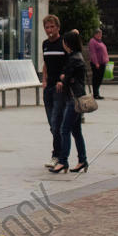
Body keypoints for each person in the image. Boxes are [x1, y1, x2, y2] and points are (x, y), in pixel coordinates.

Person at [48, 29, 90, 174]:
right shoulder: (79, 56)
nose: (63, 45)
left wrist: (62, 79)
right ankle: (82, 160)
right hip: (78, 97)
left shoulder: (73, 59)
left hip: (73, 99)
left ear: (68, 44)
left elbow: (67, 78)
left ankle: (63, 161)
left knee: (64, 129)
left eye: (65, 43)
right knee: (76, 131)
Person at [40, 15, 66, 168]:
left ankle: (57, 155)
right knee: (52, 123)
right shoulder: (45, 44)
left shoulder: (63, 43)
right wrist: (44, 80)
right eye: (47, 27)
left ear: (58, 27)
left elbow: (69, 63)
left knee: (57, 122)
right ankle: (61, 151)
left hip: (59, 88)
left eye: (52, 27)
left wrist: (63, 79)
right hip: (48, 88)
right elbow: (46, 64)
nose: (49, 30)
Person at [87, 27, 110, 99]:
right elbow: (93, 53)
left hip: (102, 63)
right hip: (97, 64)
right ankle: (95, 93)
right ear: (95, 34)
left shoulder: (100, 41)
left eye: (101, 34)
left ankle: (97, 92)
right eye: (99, 34)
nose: (101, 35)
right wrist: (96, 63)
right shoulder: (92, 41)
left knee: (100, 78)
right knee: (96, 78)